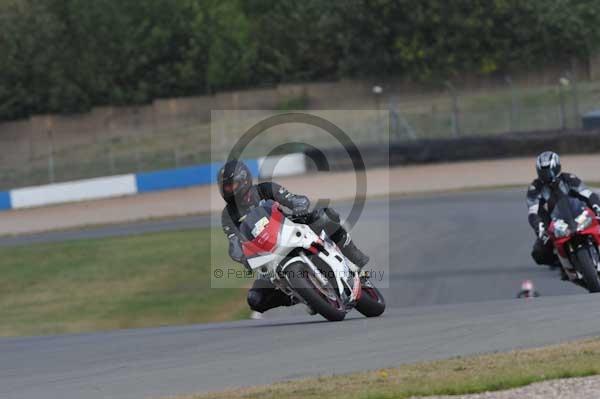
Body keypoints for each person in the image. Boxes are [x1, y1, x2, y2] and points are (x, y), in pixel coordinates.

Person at [218, 160, 370, 314]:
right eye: (226, 187)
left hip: (290, 227)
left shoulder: (266, 189)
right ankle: (299, 296)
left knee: (325, 216)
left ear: (244, 179)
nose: (229, 190)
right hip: (267, 253)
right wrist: (242, 256)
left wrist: (299, 207)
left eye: (232, 185)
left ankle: (355, 257)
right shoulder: (228, 215)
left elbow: (295, 199)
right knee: (255, 299)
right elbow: (234, 241)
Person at [527, 151, 600, 271]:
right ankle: (561, 264)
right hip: (554, 223)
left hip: (578, 213)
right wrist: (539, 226)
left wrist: (597, 207)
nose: (546, 175)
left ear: (556, 168)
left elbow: (588, 194)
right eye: (543, 172)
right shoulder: (535, 188)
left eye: (549, 171)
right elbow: (533, 211)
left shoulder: (569, 179)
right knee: (538, 253)